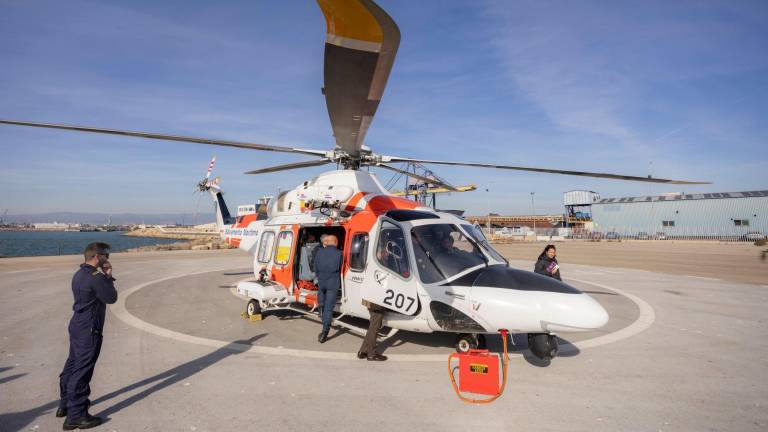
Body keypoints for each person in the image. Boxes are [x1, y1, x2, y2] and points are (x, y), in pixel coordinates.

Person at [58, 242, 118, 430]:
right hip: (89, 328)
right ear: (97, 256)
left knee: (73, 365)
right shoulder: (96, 277)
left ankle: (66, 404)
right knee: (82, 370)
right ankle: (76, 416)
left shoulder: (79, 274)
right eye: (105, 255)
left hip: (78, 325)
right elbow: (111, 297)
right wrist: (108, 276)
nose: (107, 258)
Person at [314, 234, 342, 343]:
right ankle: (324, 333)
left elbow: (315, 267)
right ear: (335, 243)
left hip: (322, 282)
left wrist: (320, 276)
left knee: (321, 301)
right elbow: (340, 269)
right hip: (332, 284)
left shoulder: (319, 252)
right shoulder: (339, 254)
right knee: (329, 309)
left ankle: (321, 310)